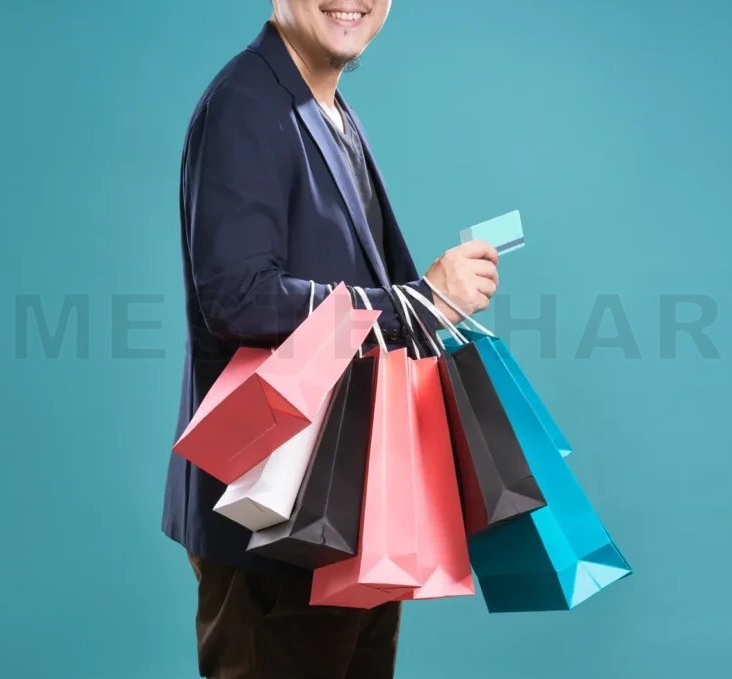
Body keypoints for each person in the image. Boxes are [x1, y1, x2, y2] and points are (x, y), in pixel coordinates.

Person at [162, 2, 499, 677]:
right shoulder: (246, 105)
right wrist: (419, 301)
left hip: (349, 507)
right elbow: (238, 297)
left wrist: (424, 301)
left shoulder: (331, 110)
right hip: (273, 513)